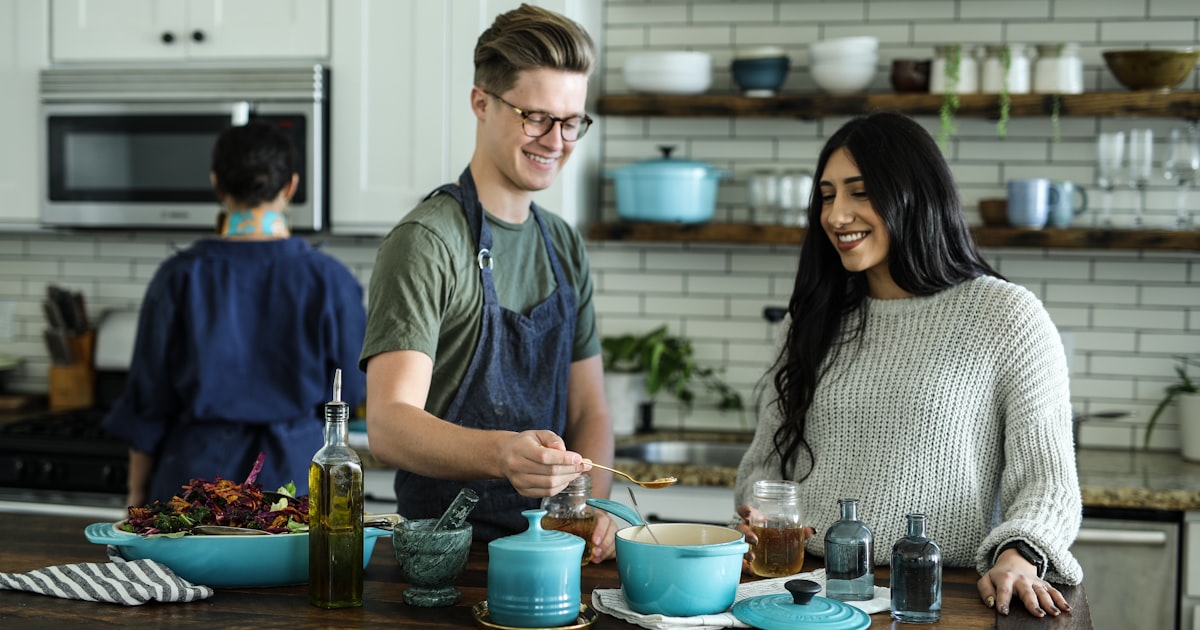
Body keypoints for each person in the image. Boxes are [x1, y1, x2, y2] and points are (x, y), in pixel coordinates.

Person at [733, 111, 1083, 619]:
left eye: (860, 192)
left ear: (914, 195)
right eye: (828, 196)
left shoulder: (1006, 316)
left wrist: (1020, 555)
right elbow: (765, 465)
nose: (836, 215)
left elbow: (1048, 483)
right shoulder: (812, 319)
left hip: (938, 597)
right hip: (806, 595)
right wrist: (757, 513)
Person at [359, 4, 616, 560]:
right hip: (446, 562)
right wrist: (505, 454)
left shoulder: (564, 244)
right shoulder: (427, 241)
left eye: (571, 122)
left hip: (553, 553)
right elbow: (388, 425)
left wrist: (595, 504)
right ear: (482, 102)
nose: (556, 141)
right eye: (536, 117)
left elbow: (590, 409)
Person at [103, 121, 366, 507]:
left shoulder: (178, 277)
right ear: (291, 187)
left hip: (194, 485)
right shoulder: (331, 281)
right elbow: (353, 391)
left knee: (176, 573)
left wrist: (136, 496)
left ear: (217, 185)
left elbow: (147, 404)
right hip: (295, 485)